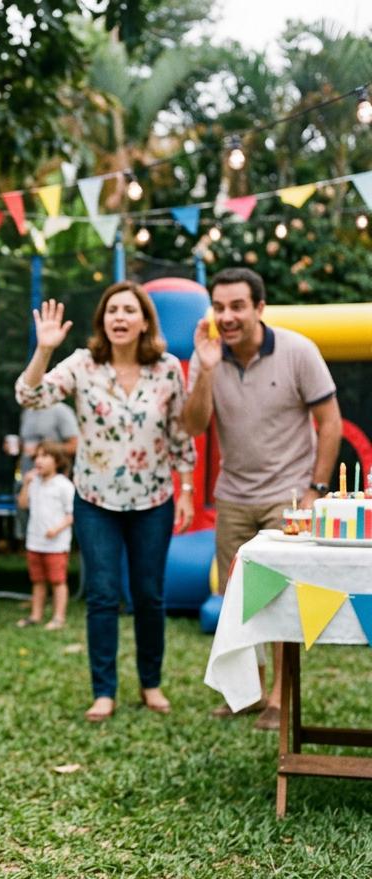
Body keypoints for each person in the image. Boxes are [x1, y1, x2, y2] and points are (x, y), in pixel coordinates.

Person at [16, 286, 197, 722]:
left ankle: (150, 684)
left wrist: (187, 488)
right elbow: (29, 395)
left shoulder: (168, 369)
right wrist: (43, 350)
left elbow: (179, 433)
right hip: (95, 499)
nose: (120, 316)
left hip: (153, 498)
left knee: (149, 596)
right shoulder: (83, 364)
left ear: (144, 321)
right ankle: (104, 692)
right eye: (112, 310)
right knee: (101, 595)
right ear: (103, 321)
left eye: (129, 310)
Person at [182, 267, 342, 729]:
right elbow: (193, 426)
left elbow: (330, 422)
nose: (227, 316)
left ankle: (277, 698)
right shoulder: (207, 355)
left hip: (289, 497)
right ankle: (249, 692)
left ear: (259, 309)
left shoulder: (298, 351)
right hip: (232, 496)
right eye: (219, 307)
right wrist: (207, 370)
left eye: (237, 306)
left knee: (278, 600)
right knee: (238, 599)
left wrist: (316, 490)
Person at [16, 441, 75, 630]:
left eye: (44, 456)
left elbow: (72, 514)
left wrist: (57, 529)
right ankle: (36, 615)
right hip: (35, 541)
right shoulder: (34, 483)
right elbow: (23, 504)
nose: (38, 460)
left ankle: (59, 618)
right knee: (38, 581)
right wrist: (26, 484)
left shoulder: (64, 486)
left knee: (57, 581)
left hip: (56, 544)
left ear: (57, 461)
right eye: (37, 456)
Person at [6, 403, 79, 539]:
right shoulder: (28, 412)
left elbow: (75, 445)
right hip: (28, 479)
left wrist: (43, 451)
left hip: (53, 481)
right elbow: (29, 446)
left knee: (51, 532)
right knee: (28, 530)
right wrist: (19, 448)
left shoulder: (61, 411)